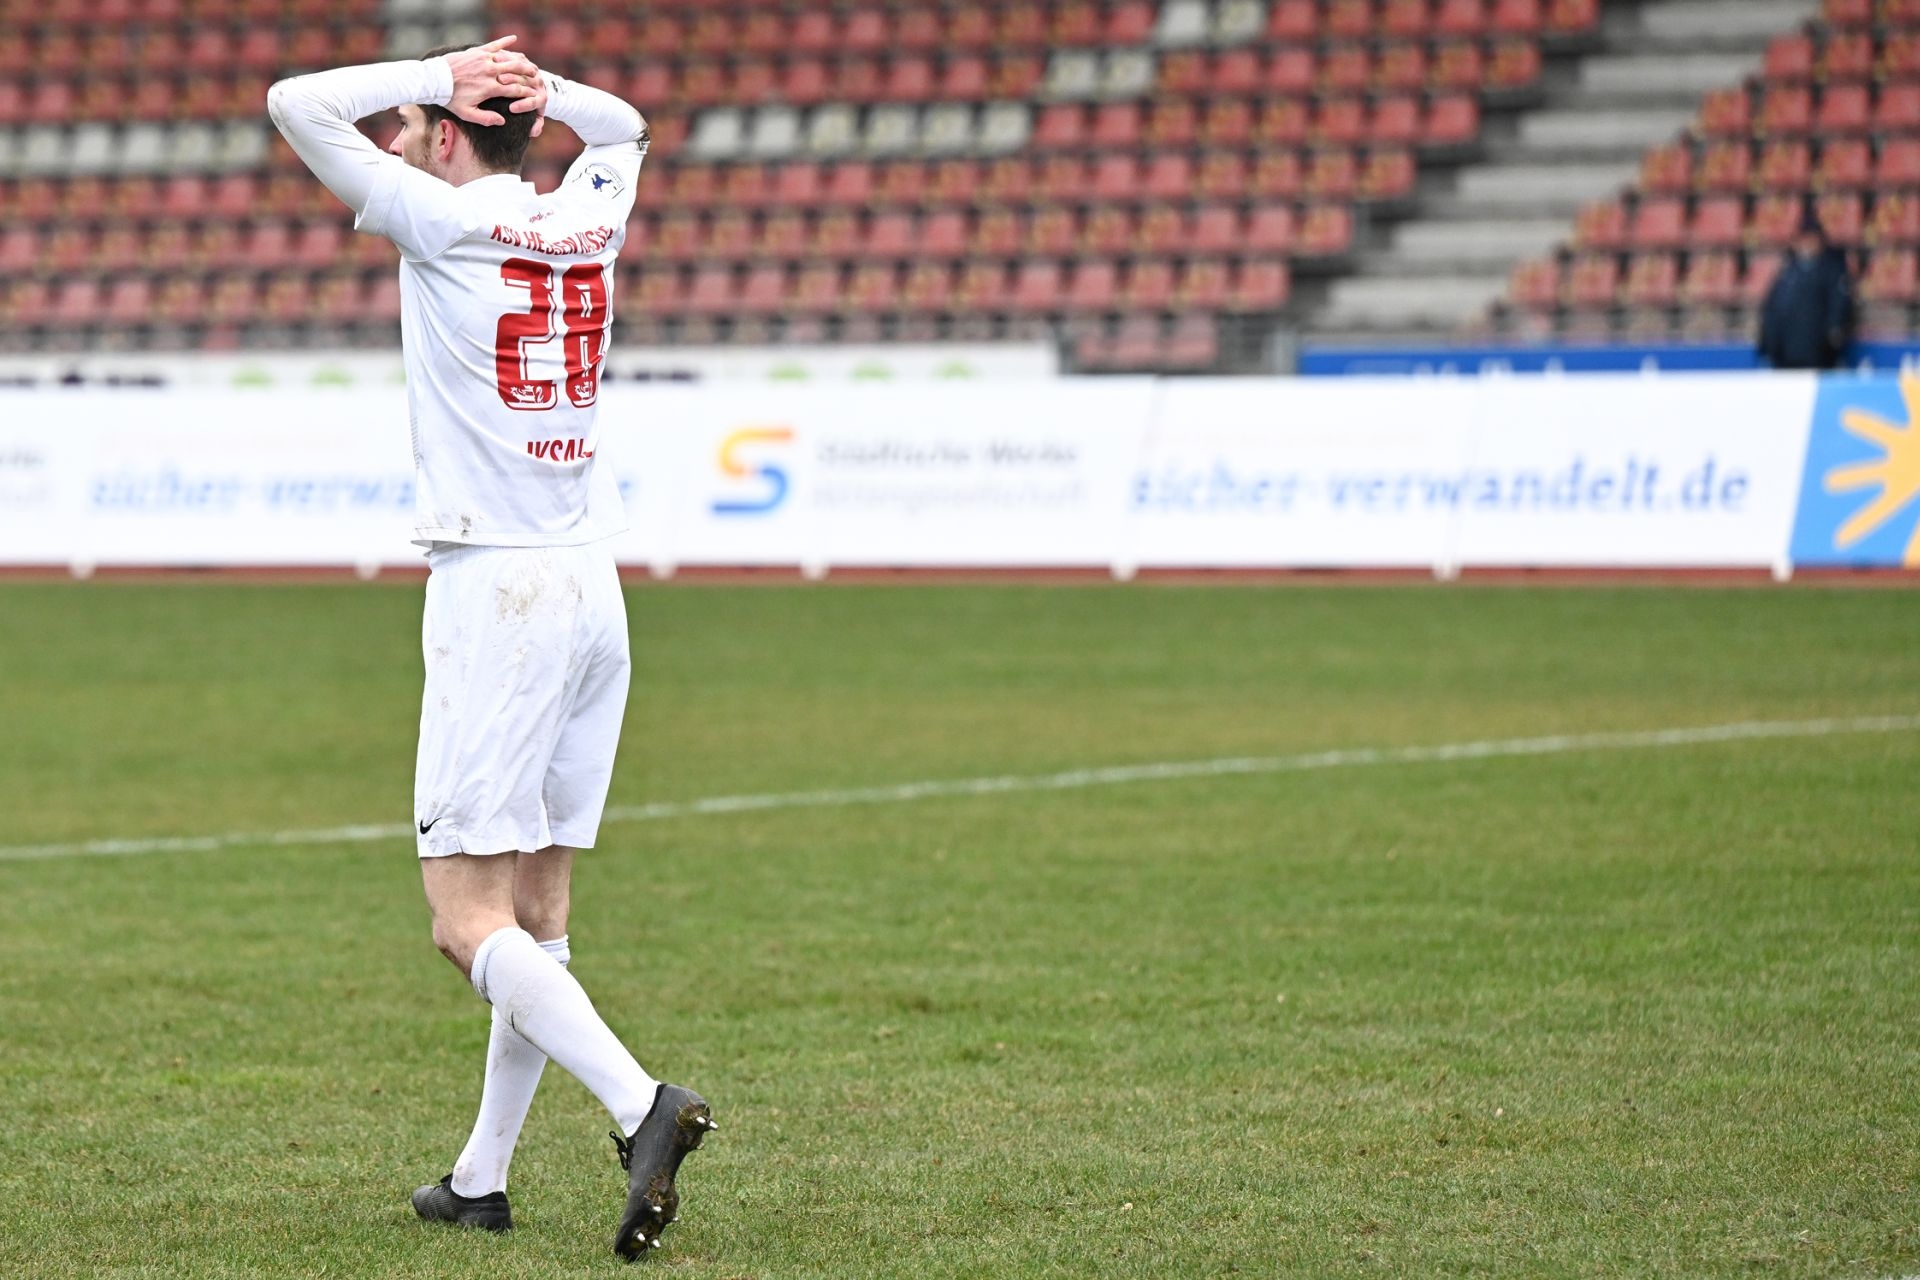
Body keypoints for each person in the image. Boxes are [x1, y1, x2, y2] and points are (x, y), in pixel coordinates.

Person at [267, 38, 715, 1261]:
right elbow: (622, 126)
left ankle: (641, 1106)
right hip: (590, 583)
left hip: (497, 592)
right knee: (538, 906)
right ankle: (481, 1177)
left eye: (418, 128)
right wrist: (532, 91)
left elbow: (293, 102)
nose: (402, 144)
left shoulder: (440, 222)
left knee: (466, 920)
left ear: (451, 137)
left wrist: (436, 63)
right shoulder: (585, 217)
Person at [1758, 205, 1856, 370]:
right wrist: (1768, 342)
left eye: (1810, 238)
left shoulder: (1832, 269)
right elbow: (1772, 308)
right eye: (1802, 239)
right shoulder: (1787, 271)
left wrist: (1831, 340)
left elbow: (1838, 308)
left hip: (1817, 356)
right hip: (1784, 356)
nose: (1806, 244)